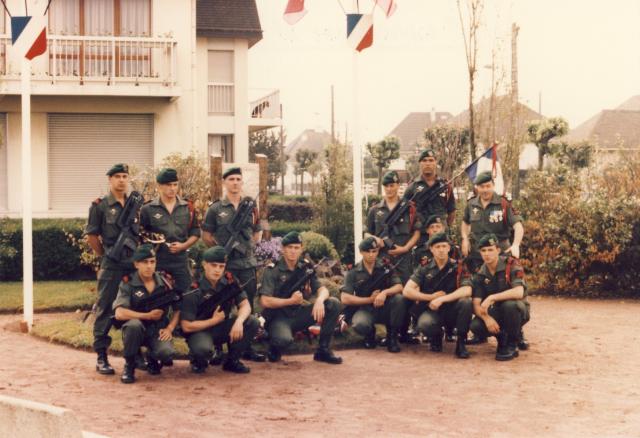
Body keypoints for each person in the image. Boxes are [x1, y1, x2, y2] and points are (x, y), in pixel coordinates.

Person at [201, 166, 265, 363]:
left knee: (248, 305)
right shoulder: (215, 209)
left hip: (246, 264)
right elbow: (206, 236)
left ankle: (246, 346)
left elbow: (257, 233)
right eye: (231, 179)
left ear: (242, 182)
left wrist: (244, 248)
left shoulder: (251, 208)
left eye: (238, 179)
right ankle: (219, 347)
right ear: (224, 183)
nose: (235, 183)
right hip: (225, 266)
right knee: (222, 304)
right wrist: (222, 252)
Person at [259, 232, 342, 364]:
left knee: (333, 304)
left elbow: (322, 289)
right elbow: (265, 301)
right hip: (278, 317)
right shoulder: (272, 270)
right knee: (284, 340)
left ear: (301, 249)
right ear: (283, 249)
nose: (293, 251)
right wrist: (290, 301)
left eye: (296, 248)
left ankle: (323, 350)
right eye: (290, 247)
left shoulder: (305, 267)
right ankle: (274, 346)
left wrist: (319, 300)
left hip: (298, 315)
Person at [85, 163, 137, 375]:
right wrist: (105, 255)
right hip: (112, 265)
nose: (122, 180)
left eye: (125, 176)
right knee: (106, 308)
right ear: (110, 180)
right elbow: (92, 236)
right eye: (117, 176)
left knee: (136, 306)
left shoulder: (135, 204)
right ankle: (101, 356)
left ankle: (135, 354)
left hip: (133, 264)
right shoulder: (100, 206)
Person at [180, 247, 259, 374]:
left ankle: (232, 361)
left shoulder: (229, 281)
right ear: (205, 265)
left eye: (221, 266)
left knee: (252, 322)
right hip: (200, 330)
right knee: (203, 349)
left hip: (222, 327)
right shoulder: (194, 289)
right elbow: (186, 326)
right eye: (213, 265)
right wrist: (214, 320)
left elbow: (246, 305)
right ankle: (197, 359)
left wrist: (239, 321)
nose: (217, 270)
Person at [112, 244, 180, 383]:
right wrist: (146, 316)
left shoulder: (165, 281)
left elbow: (178, 308)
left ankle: (152, 357)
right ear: (136, 264)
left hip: (157, 329)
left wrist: (170, 328)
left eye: (152, 262)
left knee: (166, 353)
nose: (149, 266)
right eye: (145, 262)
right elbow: (119, 313)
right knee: (133, 326)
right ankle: (129, 366)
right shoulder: (128, 283)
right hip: (138, 329)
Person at [403, 232, 473, 358]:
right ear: (431, 249)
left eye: (444, 246)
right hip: (433, 309)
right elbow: (407, 290)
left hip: (452, 309)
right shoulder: (424, 267)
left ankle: (461, 343)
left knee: (466, 302)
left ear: (449, 248)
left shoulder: (458, 266)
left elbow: (467, 289)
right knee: (424, 324)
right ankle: (436, 335)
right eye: (437, 247)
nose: (441, 250)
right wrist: (430, 298)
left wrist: (442, 299)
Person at [468, 233, 531, 361]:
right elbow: (476, 304)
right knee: (476, 326)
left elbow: (518, 292)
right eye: (483, 250)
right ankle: (502, 337)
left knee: (510, 305)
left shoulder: (511, 264)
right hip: (496, 312)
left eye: (490, 250)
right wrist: (486, 318)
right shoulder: (480, 273)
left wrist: (492, 297)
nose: (487, 254)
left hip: (517, 310)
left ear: (498, 250)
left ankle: (512, 344)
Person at [340, 237, 406, 352]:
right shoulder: (353, 272)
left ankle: (392, 337)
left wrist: (384, 293)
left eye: (374, 251)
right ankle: (370, 334)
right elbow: (345, 298)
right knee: (360, 324)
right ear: (361, 252)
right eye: (368, 252)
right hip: (366, 309)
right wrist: (370, 299)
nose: (371, 255)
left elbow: (399, 286)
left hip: (384, 306)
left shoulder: (385, 267)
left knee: (399, 299)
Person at [140, 168, 200, 294]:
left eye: (175, 185)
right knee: (158, 297)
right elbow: (141, 235)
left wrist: (183, 246)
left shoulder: (187, 208)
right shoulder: (148, 209)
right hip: (158, 261)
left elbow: (195, 232)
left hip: (181, 261)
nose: (172, 188)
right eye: (168, 185)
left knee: (187, 296)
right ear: (159, 186)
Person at [461, 171, 524, 273]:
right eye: (482, 186)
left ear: (493, 186)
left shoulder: (503, 203)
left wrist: (516, 245)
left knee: (502, 284)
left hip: (501, 253)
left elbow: (518, 225)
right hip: (478, 255)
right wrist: (465, 239)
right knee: (478, 285)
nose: (485, 190)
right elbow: (465, 222)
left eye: (488, 186)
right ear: (477, 187)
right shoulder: (471, 204)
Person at [366, 170, 421, 283]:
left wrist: (405, 248)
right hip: (382, 259)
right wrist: (375, 239)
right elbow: (366, 233)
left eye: (392, 185)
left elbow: (417, 232)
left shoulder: (409, 208)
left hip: (404, 260)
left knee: (406, 293)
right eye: (386, 186)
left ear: (398, 186)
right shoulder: (374, 210)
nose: (389, 189)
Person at [403, 149, 456, 228]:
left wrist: (445, 227)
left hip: (440, 233)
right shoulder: (412, 187)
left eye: (431, 160)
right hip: (420, 234)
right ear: (420, 163)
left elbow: (452, 211)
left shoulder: (445, 186)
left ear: (435, 163)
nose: (428, 163)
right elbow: (404, 211)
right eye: (424, 160)